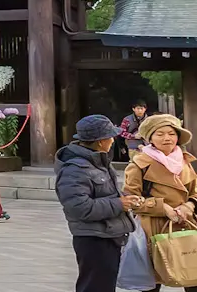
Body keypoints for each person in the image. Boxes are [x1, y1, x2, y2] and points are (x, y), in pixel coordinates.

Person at [125, 114, 197, 292]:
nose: (167, 138)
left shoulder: (185, 161)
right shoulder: (139, 164)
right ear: (151, 138)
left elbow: (196, 193)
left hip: (186, 225)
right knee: (153, 283)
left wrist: (189, 206)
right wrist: (164, 208)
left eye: (171, 133)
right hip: (154, 229)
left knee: (195, 279)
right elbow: (130, 200)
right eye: (160, 134)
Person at [57, 115, 136, 292]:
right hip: (94, 239)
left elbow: (103, 193)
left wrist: (124, 199)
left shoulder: (97, 162)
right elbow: (79, 207)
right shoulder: (75, 169)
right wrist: (118, 204)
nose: (113, 140)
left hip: (108, 235)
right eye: (110, 137)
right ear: (101, 141)